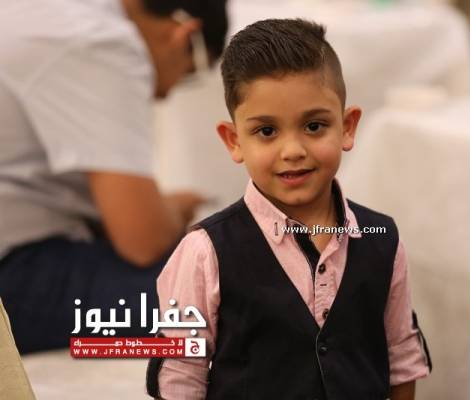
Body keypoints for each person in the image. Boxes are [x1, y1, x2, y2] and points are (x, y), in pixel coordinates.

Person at [150, 18, 431, 400]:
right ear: (234, 141)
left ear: (347, 127)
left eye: (314, 126)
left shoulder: (382, 239)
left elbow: (401, 356)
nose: (293, 150)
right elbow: (180, 375)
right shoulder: (204, 252)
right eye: (266, 131)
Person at [0, 0, 227, 353]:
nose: (165, 93)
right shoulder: (102, 40)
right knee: (229, 293)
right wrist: (172, 210)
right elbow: (143, 242)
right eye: (190, 71)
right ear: (184, 35)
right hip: (14, 275)